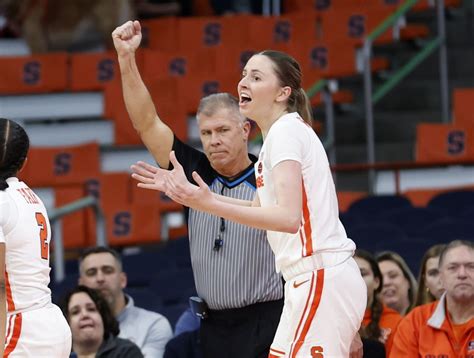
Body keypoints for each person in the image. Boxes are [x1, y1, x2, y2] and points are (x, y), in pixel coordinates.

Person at [131, 49, 367, 357]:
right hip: (308, 281)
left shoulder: (286, 132)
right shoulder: (274, 143)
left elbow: (287, 218)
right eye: (244, 74)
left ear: (283, 93)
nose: (244, 82)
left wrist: (206, 202)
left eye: (256, 77)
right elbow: (257, 211)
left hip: (318, 275)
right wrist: (195, 198)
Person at [112, 20, 285, 358]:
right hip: (213, 326)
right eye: (206, 133)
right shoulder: (190, 172)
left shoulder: (269, 175)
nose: (214, 141)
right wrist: (126, 59)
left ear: (245, 129)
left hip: (268, 321)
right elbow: (146, 122)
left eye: (222, 130)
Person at [0, 117, 72, 356]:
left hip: (19, 329)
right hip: (48, 321)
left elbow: (0, 285)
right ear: (23, 163)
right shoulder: (31, 198)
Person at [78, 246, 172, 357]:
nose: (100, 278)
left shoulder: (153, 325)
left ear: (122, 280)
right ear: (81, 285)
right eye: (91, 272)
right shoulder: (68, 330)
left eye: (108, 271)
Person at [390, 240, 474, 357]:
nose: (462, 274)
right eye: (453, 268)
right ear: (441, 277)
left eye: (471, 266)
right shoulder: (415, 321)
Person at [61, 285, 144, 357]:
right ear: (66, 323)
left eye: (91, 309)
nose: (84, 315)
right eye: (75, 312)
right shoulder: (56, 354)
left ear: (103, 317)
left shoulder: (127, 351)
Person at [355, 250, 402, 356]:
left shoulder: (397, 322)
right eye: (350, 274)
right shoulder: (330, 322)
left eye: (362, 273)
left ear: (377, 281)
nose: (355, 278)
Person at [376, 251, 418, 316]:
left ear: (408, 281)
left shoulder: (425, 317)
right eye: (380, 279)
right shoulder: (361, 323)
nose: (386, 282)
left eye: (393, 275)